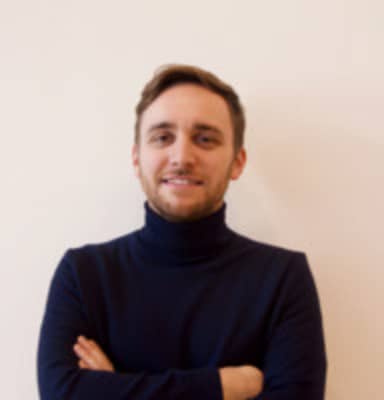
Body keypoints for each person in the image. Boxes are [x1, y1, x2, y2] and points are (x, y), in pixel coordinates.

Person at [37, 64, 327, 399]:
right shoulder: (83, 275)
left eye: (205, 139)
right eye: (162, 138)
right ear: (137, 158)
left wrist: (115, 389)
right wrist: (222, 385)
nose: (182, 157)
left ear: (237, 162)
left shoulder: (283, 279)